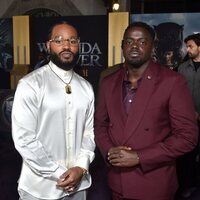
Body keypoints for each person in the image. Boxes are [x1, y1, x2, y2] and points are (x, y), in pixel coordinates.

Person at [94, 21, 198, 200]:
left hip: (153, 185)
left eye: (142, 42)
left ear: (153, 47)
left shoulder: (172, 82)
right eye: (129, 41)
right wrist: (110, 151)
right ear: (122, 46)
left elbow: (187, 136)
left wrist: (140, 157)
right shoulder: (108, 82)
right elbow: (100, 124)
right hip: (117, 183)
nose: (135, 46)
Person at [12, 21, 95, 200]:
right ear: (48, 45)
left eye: (72, 41)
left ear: (78, 45)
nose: (66, 46)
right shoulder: (30, 84)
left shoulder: (86, 87)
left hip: (78, 185)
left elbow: (89, 133)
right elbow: (24, 139)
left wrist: (81, 167)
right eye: (59, 40)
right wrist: (60, 173)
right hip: (39, 188)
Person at [177, 33, 200, 198]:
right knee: (187, 156)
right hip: (186, 120)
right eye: (187, 46)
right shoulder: (182, 68)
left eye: (191, 46)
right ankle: (187, 187)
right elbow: (178, 93)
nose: (188, 49)